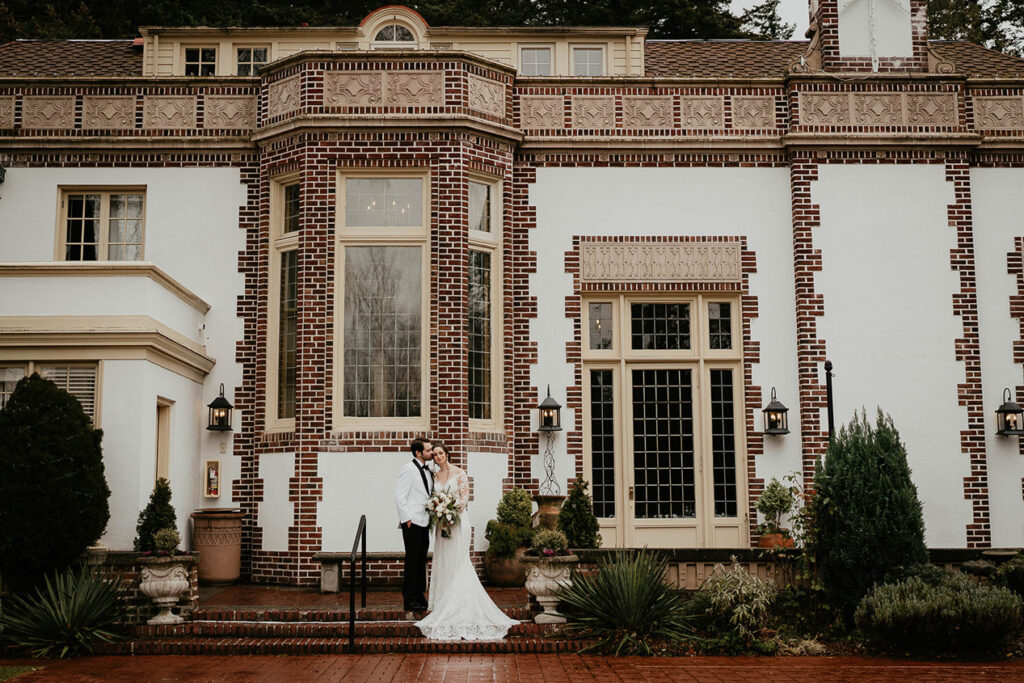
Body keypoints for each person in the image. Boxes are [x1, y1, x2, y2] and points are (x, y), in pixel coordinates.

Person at [415, 442, 518, 640]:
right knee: (444, 561)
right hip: (442, 526)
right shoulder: (434, 476)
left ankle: (460, 604)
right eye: (435, 454)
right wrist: (439, 512)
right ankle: (443, 603)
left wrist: (450, 512)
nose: (438, 457)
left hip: (457, 523)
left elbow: (464, 498)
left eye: (440, 453)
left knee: (458, 562)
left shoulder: (459, 473)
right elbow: (432, 498)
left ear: (447, 453)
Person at [394, 437, 433, 612]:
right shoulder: (408, 469)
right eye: (428, 450)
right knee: (412, 561)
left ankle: (419, 595)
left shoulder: (428, 470)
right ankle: (409, 599)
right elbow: (399, 496)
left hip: (425, 522)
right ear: (419, 452)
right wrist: (406, 520)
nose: (431, 452)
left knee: (420, 560)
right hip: (413, 523)